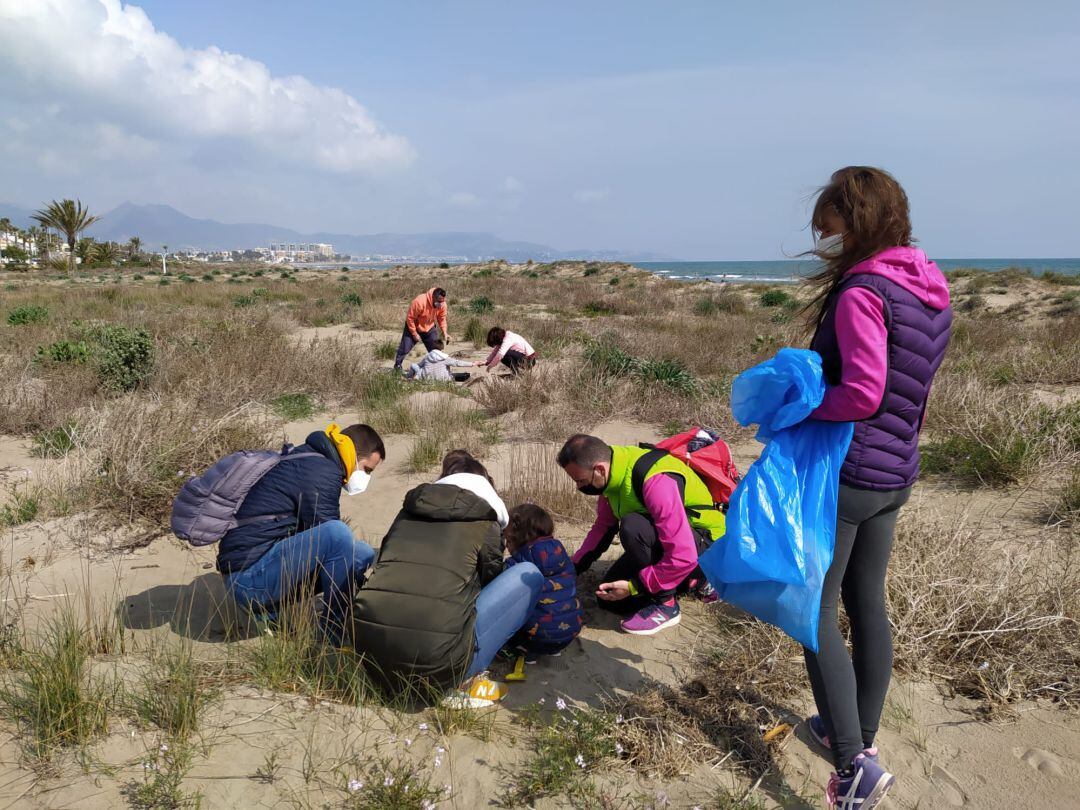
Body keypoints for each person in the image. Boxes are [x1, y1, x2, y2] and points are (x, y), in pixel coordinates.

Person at [800, 167, 952, 810]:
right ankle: (856, 734)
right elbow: (910, 389)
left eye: (829, 219)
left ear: (853, 214)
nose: (824, 234)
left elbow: (861, 390)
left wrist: (800, 408)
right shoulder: (929, 286)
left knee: (814, 608)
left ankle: (851, 765)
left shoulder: (865, 289)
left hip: (852, 470)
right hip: (897, 472)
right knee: (867, 604)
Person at [352, 450, 543, 705]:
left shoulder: (406, 513)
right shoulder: (486, 522)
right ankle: (464, 682)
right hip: (438, 668)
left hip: (367, 655)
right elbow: (491, 582)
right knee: (529, 574)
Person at [217, 423, 385, 645]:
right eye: (367, 469)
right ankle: (334, 632)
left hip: (256, 570)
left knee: (361, 552)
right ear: (353, 454)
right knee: (338, 535)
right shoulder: (322, 471)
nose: (366, 477)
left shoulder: (311, 458)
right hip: (247, 582)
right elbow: (332, 541)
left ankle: (269, 610)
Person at [557, 434, 725, 635]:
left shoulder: (655, 481)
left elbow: (683, 555)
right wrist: (573, 568)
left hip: (707, 548)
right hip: (667, 542)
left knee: (632, 525)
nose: (579, 487)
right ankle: (687, 583)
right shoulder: (611, 479)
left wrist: (634, 586)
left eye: (581, 481)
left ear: (600, 469)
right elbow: (603, 527)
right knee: (609, 600)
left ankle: (667, 604)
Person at [503, 503, 583, 660]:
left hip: (536, 637)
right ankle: (553, 649)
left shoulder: (518, 563)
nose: (507, 545)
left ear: (516, 537)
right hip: (571, 631)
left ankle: (527, 651)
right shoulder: (562, 555)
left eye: (508, 540)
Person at [393, 287, 449, 371]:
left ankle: (440, 369)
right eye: (439, 301)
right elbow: (410, 318)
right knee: (405, 347)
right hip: (414, 326)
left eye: (442, 301)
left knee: (436, 349)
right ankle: (397, 366)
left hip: (429, 327)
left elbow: (442, 318)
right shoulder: (419, 301)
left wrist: (445, 332)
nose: (440, 304)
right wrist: (414, 333)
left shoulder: (442, 304)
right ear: (433, 297)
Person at [404, 337, 473, 383]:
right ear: (441, 349)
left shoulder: (427, 356)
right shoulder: (445, 358)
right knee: (452, 374)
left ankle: (408, 377)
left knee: (413, 365)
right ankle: (411, 377)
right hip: (442, 379)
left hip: (426, 378)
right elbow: (458, 363)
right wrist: (473, 364)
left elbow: (418, 365)